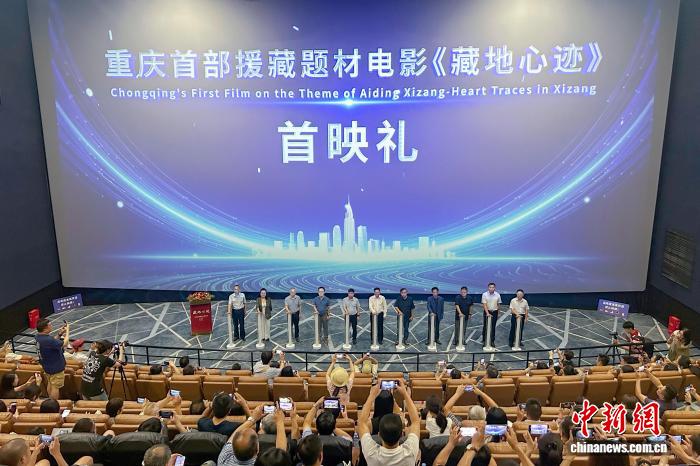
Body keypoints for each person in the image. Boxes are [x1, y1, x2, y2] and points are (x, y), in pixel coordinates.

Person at [358, 380, 420, 466]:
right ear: (401, 434)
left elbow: (362, 422)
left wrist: (372, 395)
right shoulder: (410, 452)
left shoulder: (371, 453)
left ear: (379, 435)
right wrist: (405, 393)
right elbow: (416, 421)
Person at [218, 403, 287, 466]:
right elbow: (280, 454)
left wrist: (253, 419)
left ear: (232, 448)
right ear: (257, 450)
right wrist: (280, 421)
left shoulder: (224, 459)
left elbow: (233, 437)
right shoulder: (262, 464)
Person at [301, 398, 352, 466]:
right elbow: (349, 438)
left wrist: (317, 404)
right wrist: (344, 419)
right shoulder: (346, 443)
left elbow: (307, 422)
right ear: (334, 427)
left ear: (316, 426)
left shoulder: (308, 442)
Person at [35, 318, 69, 400]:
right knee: (55, 387)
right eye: (50, 325)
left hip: (47, 366)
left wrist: (59, 334)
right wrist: (67, 331)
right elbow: (65, 343)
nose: (51, 326)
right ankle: (53, 402)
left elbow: (52, 343)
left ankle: (50, 399)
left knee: (50, 384)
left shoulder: (38, 337)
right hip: (56, 367)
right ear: (45, 328)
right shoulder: (48, 340)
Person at [481, 283, 501, 349]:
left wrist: (498, 312)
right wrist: (487, 313)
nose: (491, 288)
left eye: (493, 287)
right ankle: (484, 340)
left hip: (494, 312)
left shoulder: (497, 295)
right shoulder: (484, 294)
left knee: (493, 327)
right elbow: (484, 305)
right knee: (486, 326)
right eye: (490, 287)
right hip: (487, 311)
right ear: (488, 287)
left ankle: (492, 341)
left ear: (495, 288)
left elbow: (498, 304)